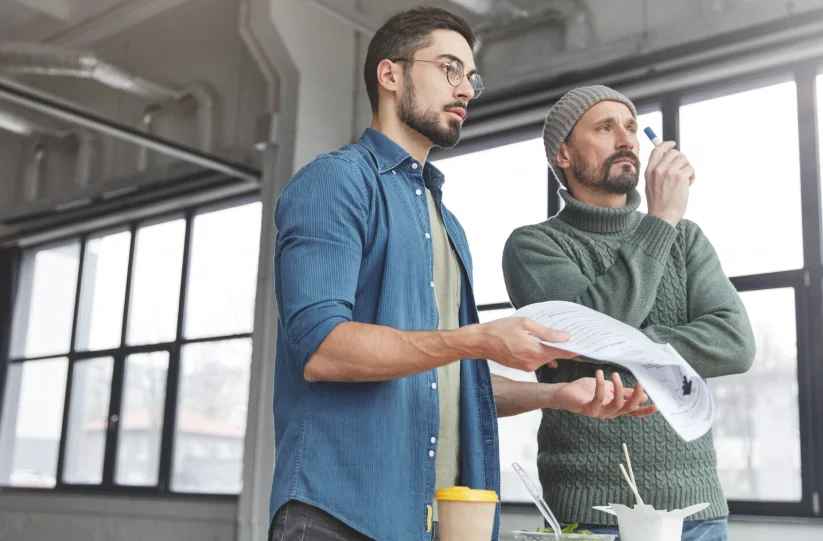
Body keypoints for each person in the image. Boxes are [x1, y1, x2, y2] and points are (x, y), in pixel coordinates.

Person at [269, 10, 655, 541]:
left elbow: (443, 381)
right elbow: (322, 350)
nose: (467, 90)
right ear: (391, 75)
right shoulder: (335, 183)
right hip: (341, 514)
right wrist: (477, 339)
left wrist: (551, 396)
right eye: (450, 68)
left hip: (439, 519)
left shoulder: (445, 223)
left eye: (471, 76)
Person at [502, 85, 756, 541]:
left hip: (696, 511)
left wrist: (618, 345)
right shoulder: (533, 245)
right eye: (605, 127)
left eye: (632, 127)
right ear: (563, 154)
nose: (627, 140)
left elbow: (735, 345)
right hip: (591, 511)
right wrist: (659, 222)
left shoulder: (687, 237)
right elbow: (581, 338)